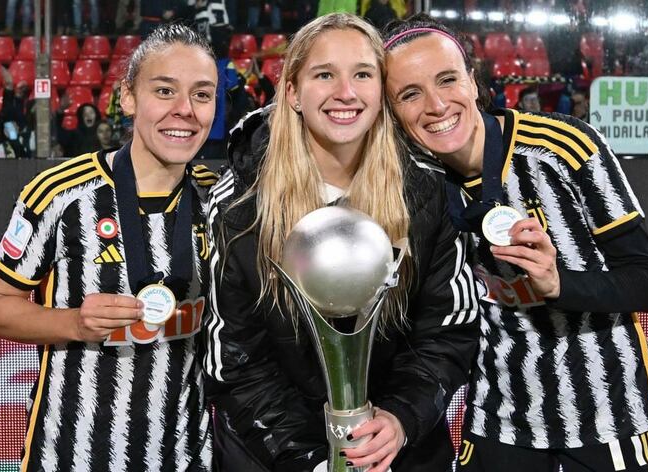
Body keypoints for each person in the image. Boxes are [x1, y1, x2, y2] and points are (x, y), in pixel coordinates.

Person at [383, 14, 648, 472]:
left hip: (607, 417)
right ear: (393, 111)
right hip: (499, 422)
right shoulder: (412, 187)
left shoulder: (565, 147)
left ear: (473, 82)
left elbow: (647, 283)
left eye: (447, 80)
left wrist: (558, 285)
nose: (436, 105)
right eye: (410, 94)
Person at [203, 13, 478, 472]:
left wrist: (399, 420)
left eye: (363, 75)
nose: (346, 93)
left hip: (397, 454)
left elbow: (446, 332)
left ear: (380, 91)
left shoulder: (424, 192)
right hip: (274, 454)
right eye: (324, 74)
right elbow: (236, 361)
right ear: (292, 92)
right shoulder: (239, 205)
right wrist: (312, 460)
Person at [0, 23, 219, 471]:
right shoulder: (59, 194)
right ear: (128, 97)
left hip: (187, 457)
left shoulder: (218, 198)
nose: (185, 110)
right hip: (72, 455)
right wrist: (75, 323)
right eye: (164, 91)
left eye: (202, 95)